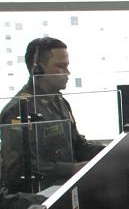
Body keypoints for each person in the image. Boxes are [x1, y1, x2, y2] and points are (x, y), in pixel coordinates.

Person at [0, 37, 104, 193]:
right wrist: (71, 169)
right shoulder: (19, 110)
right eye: (60, 66)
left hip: (63, 190)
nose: (67, 73)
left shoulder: (59, 101)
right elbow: (19, 169)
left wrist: (110, 151)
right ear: (37, 69)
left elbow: (78, 145)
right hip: (37, 198)